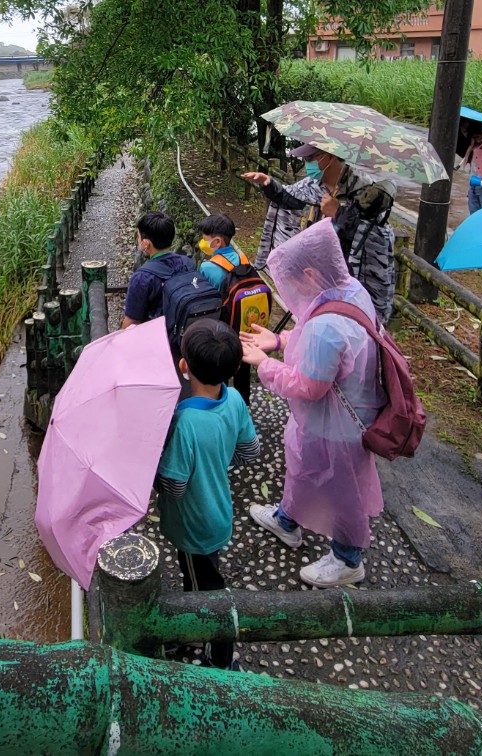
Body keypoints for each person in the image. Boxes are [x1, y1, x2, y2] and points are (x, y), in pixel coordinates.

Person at [239, 218, 386, 587]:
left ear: (309, 273)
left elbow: (308, 386)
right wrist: (282, 340)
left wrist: (265, 364)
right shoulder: (349, 290)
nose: (287, 290)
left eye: (288, 281)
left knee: (342, 488)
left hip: (339, 424)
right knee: (303, 466)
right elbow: (315, 336)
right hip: (339, 413)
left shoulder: (327, 327)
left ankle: (348, 560)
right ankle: (287, 520)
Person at [155, 319, 261, 669]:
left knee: (208, 589)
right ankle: (191, 627)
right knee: (200, 578)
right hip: (219, 509)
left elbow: (176, 486)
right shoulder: (234, 401)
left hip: (194, 523)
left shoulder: (185, 423)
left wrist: (155, 470)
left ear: (183, 366)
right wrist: (217, 455)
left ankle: (220, 657)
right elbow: (249, 452)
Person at [242, 143, 360, 267]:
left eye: (309, 159)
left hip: (345, 268)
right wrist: (267, 183)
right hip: (313, 264)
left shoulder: (361, 191)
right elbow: (289, 198)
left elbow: (368, 235)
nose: (307, 164)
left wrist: (338, 213)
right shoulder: (313, 184)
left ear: (329, 156)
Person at [196, 212, 255, 405]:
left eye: (205, 239)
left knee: (220, 365)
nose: (202, 242)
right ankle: (243, 405)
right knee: (243, 366)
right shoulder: (243, 258)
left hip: (222, 327)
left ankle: (220, 403)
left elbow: (205, 299)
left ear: (218, 242)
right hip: (245, 325)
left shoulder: (209, 267)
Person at [334, 180, 397, 324]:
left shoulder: (371, 229)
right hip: (372, 303)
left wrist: (337, 212)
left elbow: (346, 228)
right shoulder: (384, 229)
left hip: (362, 304)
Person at [122, 211, 193, 327]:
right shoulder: (188, 263)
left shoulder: (141, 277)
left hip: (159, 338)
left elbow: (131, 322)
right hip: (185, 331)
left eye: (139, 237)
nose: (138, 240)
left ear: (146, 244)